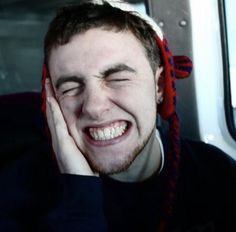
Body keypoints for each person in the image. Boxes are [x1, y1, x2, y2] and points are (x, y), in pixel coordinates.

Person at [0, 1, 235, 232]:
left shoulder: (218, 176)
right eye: (70, 87)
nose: (93, 106)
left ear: (160, 87)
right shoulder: (16, 194)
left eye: (117, 78)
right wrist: (81, 199)